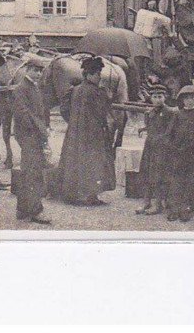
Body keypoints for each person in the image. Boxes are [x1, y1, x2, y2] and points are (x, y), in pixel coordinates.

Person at [58, 56, 116, 206]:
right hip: (93, 133)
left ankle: (75, 194)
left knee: (75, 160)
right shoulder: (97, 92)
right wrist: (108, 98)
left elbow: (64, 109)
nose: (99, 77)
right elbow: (101, 112)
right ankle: (90, 196)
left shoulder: (75, 90)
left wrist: (72, 122)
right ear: (89, 74)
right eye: (97, 74)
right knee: (93, 162)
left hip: (75, 132)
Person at [11, 55, 52, 225]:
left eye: (40, 71)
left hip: (34, 134)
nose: (37, 74)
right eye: (34, 70)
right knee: (33, 173)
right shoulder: (21, 89)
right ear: (27, 70)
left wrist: (45, 128)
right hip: (29, 135)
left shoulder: (35, 88)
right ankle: (36, 211)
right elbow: (24, 115)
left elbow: (40, 112)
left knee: (27, 172)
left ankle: (22, 210)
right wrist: (41, 131)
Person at [165, 85, 194, 223]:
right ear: (182, 101)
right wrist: (173, 147)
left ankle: (185, 208)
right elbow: (169, 134)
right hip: (178, 153)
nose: (189, 101)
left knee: (190, 180)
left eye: (192, 98)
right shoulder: (178, 115)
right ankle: (174, 209)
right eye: (186, 99)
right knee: (176, 180)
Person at [136, 85, 176, 216]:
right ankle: (146, 201)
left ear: (165, 97)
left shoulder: (170, 112)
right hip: (150, 147)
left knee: (159, 175)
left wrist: (160, 140)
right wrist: (144, 129)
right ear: (151, 98)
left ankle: (157, 204)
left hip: (163, 148)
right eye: (154, 97)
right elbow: (150, 127)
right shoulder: (149, 113)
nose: (157, 100)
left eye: (160, 97)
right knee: (147, 172)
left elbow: (169, 132)